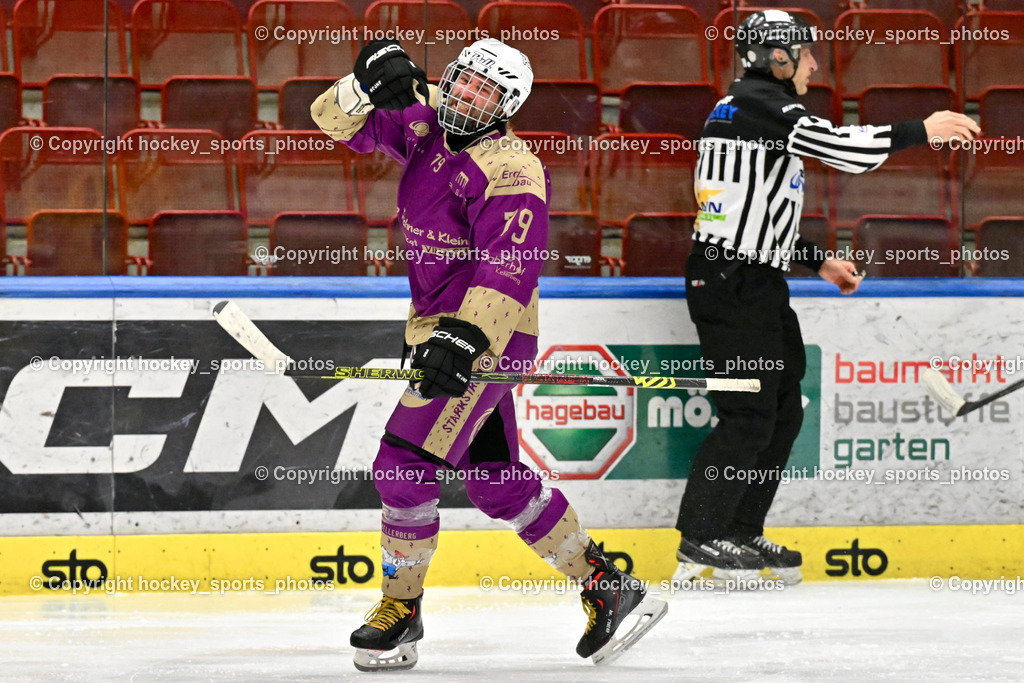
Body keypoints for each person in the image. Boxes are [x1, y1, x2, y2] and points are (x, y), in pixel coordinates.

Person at [311, 38, 667, 671]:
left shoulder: (513, 169)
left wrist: (463, 338)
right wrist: (363, 80)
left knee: (402, 463)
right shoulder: (423, 124)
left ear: (509, 104)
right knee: (496, 482)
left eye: (487, 91)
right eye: (465, 81)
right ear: (449, 78)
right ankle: (609, 585)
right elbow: (331, 121)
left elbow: (510, 266)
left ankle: (402, 610)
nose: (468, 96)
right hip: (439, 333)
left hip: (486, 339)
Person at [674, 10, 980, 586]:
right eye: (805, 54)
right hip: (730, 282)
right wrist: (923, 129)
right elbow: (844, 150)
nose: (815, 63)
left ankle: (738, 532)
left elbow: (752, 210)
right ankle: (701, 539)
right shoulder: (762, 104)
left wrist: (817, 260)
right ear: (777, 59)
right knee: (749, 414)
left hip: (752, 279)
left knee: (783, 410)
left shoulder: (749, 108)